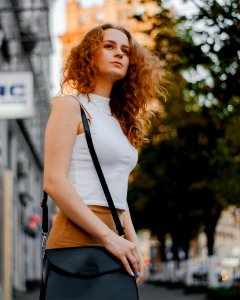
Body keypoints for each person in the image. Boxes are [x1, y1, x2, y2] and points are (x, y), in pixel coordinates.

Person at [43, 23, 165, 286]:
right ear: (89, 54)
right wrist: (110, 238)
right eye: (108, 46)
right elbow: (53, 181)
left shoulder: (123, 121)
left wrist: (132, 244)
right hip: (76, 239)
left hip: (117, 240)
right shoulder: (69, 105)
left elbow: (118, 194)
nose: (119, 53)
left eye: (125, 50)